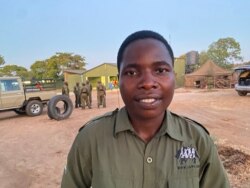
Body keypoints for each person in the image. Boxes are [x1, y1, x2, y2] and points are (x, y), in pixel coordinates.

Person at [61, 30, 229, 187]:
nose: (148, 83)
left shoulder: (197, 140)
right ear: (118, 80)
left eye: (160, 70)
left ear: (174, 78)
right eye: (132, 73)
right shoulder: (90, 139)